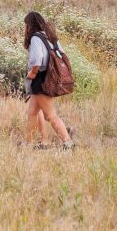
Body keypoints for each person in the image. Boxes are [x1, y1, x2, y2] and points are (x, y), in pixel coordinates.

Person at [23, 11, 74, 147]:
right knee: (32, 113)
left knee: (50, 115)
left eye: (26, 25)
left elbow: (37, 61)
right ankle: (29, 144)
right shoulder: (51, 37)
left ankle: (68, 142)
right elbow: (62, 54)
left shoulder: (35, 38)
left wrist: (32, 74)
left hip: (41, 79)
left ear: (30, 25)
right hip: (51, 77)